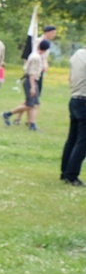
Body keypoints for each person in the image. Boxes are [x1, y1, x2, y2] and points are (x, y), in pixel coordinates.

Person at [13, 25, 57, 125]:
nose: (54, 35)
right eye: (53, 32)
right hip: (33, 71)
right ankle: (19, 118)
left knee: (32, 98)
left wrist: (45, 65)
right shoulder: (37, 41)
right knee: (31, 97)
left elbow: (44, 58)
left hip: (39, 72)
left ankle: (27, 119)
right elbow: (31, 56)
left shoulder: (47, 43)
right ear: (47, 32)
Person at [1, 39, 50, 131]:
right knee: (29, 104)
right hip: (31, 81)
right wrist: (32, 87)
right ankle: (7, 114)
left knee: (35, 104)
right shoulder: (36, 58)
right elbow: (32, 73)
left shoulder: (35, 55)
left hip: (32, 80)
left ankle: (32, 124)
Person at [60, 47, 86, 187]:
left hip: (75, 98)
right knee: (82, 142)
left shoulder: (78, 54)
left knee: (72, 139)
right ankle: (72, 175)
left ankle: (65, 171)